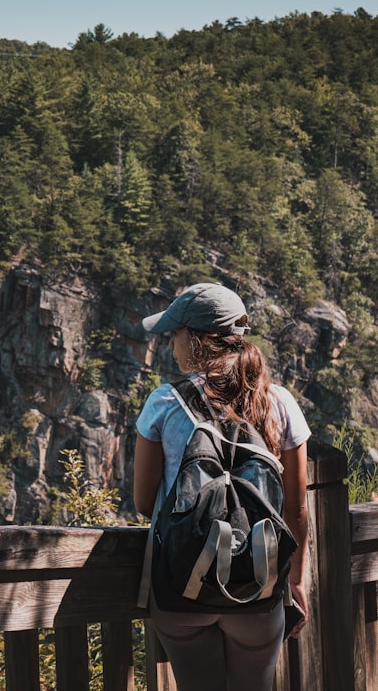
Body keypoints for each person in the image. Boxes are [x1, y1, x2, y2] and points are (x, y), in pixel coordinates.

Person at [133, 282, 311, 691]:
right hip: (259, 584)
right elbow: (296, 511)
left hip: (183, 586)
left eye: (175, 334)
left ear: (197, 341)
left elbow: (146, 504)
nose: (171, 344)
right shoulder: (280, 403)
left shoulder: (164, 403)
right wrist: (297, 582)